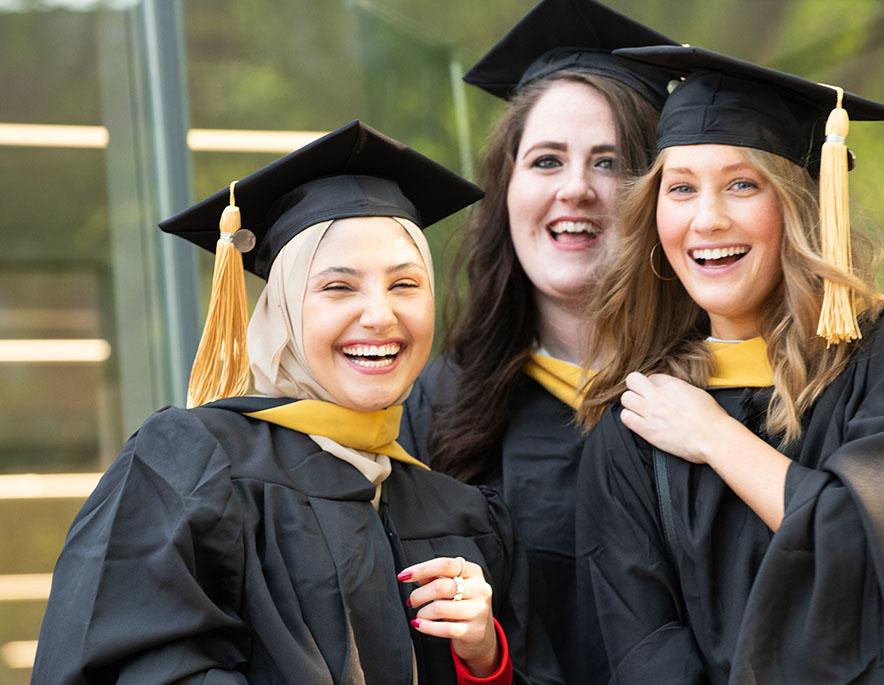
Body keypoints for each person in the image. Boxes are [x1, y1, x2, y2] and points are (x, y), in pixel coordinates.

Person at [576, 45, 884, 683]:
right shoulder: (641, 423)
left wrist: (714, 436)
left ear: (803, 204)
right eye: (680, 189)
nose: (707, 219)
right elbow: (645, 649)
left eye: (742, 184)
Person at [33, 121, 531, 684]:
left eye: (405, 284)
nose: (380, 314)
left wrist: (485, 659)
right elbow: (131, 663)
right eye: (337, 287)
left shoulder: (457, 512)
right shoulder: (192, 463)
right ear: (283, 313)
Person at [399, 2, 676, 682]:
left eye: (609, 162)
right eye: (546, 160)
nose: (575, 189)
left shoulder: (724, 395)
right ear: (507, 189)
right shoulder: (441, 408)